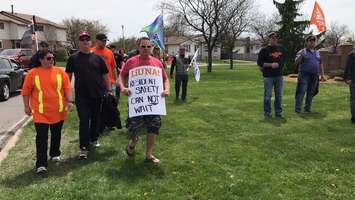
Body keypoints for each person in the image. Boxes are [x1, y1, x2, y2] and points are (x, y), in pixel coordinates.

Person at [118, 37, 170, 164]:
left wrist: (167, 89)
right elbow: (121, 76)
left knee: (154, 127)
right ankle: (132, 143)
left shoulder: (157, 62)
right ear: (138, 47)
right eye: (143, 46)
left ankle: (149, 154)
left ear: (152, 47)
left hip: (154, 104)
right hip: (137, 103)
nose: (146, 49)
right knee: (134, 130)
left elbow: (165, 79)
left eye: (148, 46)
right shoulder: (131, 62)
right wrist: (123, 87)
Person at [21, 49, 74, 174]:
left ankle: (55, 154)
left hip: (58, 110)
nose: (52, 60)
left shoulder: (60, 72)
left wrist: (70, 101)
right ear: (41, 60)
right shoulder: (33, 73)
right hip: (41, 113)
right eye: (48, 58)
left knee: (56, 134)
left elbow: (67, 88)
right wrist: (26, 106)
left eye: (52, 58)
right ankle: (41, 164)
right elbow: (26, 91)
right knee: (41, 138)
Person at [66, 31, 111, 159]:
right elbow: (67, 77)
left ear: (90, 42)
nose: (85, 42)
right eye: (82, 40)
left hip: (97, 94)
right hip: (82, 96)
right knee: (84, 121)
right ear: (79, 43)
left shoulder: (98, 58)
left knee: (95, 119)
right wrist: (67, 94)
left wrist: (109, 90)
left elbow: (105, 75)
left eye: (87, 40)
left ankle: (94, 139)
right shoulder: (73, 58)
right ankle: (84, 148)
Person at [257, 32, 287, 118]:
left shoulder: (281, 49)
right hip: (268, 76)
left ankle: (278, 112)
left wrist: (281, 66)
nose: (274, 39)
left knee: (279, 95)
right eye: (272, 37)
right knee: (268, 95)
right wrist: (271, 65)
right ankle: (267, 112)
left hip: (279, 76)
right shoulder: (264, 50)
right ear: (269, 39)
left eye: (276, 37)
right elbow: (259, 63)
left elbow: (284, 60)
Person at [295, 35, 326, 113]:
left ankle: (307, 109)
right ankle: (298, 110)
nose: (312, 42)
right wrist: (301, 55)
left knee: (311, 93)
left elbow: (320, 63)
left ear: (315, 42)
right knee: (301, 91)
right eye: (310, 40)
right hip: (304, 75)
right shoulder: (302, 51)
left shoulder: (317, 52)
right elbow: (296, 62)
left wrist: (322, 75)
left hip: (315, 75)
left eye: (314, 41)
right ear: (307, 42)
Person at [345, 49, 355, 123]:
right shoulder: (351, 55)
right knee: (354, 98)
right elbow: (348, 67)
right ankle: (354, 116)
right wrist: (348, 78)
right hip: (353, 80)